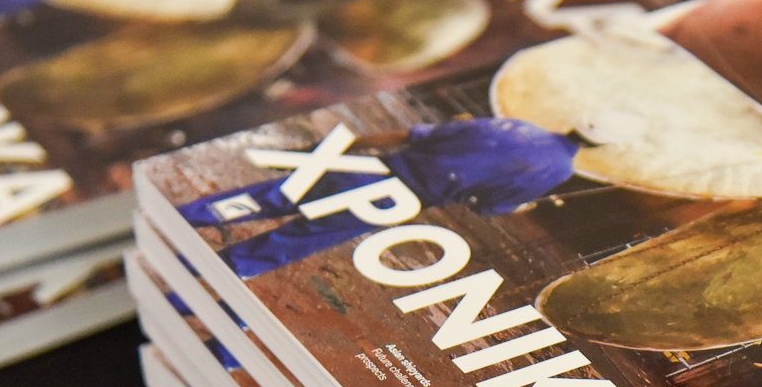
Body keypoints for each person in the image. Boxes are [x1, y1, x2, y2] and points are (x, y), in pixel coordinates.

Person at [176, 117, 582, 278]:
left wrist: (337, 147)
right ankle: (199, 278)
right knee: (295, 240)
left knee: (267, 198)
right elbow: (488, 207)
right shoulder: (558, 171)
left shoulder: (514, 126)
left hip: (369, 167)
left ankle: (183, 218)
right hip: (393, 200)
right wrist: (519, 204)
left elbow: (410, 135)